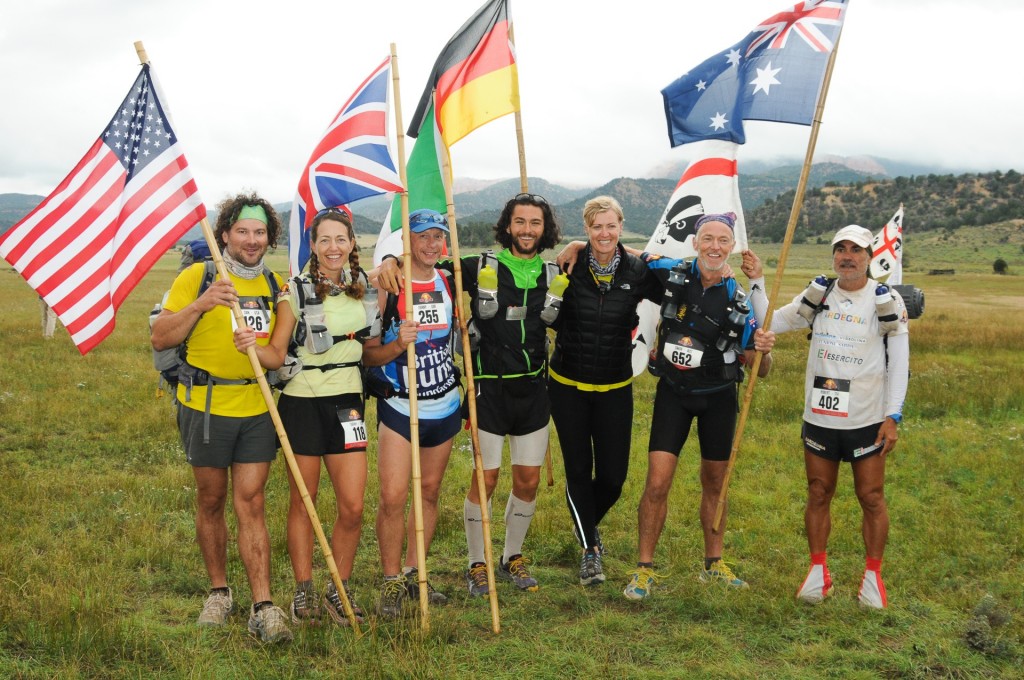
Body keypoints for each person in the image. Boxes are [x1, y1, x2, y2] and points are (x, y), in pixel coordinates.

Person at [375, 194, 563, 597]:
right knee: (486, 478)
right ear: (507, 226)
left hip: (533, 390)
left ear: (544, 228)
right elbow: (423, 265)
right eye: (520, 222)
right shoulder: (478, 266)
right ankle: (477, 563)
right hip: (488, 390)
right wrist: (390, 260)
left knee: (527, 480)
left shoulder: (555, 270)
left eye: (535, 223)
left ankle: (512, 555)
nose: (527, 229)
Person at [150, 193, 292, 643]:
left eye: (260, 232)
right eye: (243, 231)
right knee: (211, 501)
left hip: (256, 409)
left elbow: (277, 354)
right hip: (205, 410)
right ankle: (218, 592)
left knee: (251, 503)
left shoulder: (274, 285)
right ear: (225, 234)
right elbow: (159, 338)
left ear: (270, 237)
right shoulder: (199, 275)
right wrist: (202, 303)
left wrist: (259, 349)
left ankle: (263, 605)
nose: (252, 240)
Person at [622, 213, 774, 600]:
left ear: (732, 246)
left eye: (723, 240)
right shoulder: (672, 271)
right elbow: (632, 254)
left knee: (715, 484)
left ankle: (714, 563)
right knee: (657, 482)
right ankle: (644, 570)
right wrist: (577, 246)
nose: (714, 247)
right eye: (708, 238)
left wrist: (762, 351)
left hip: (719, 397)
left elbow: (762, 368)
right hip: (674, 393)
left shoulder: (741, 298)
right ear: (694, 242)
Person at [233, 206, 370, 626]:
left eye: (340, 239)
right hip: (302, 402)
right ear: (312, 245)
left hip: (348, 402)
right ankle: (304, 591)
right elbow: (275, 354)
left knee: (352, 505)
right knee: (304, 502)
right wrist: (249, 345)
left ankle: (338, 589)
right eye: (324, 240)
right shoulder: (295, 290)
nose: (333, 247)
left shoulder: (363, 287)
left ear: (351, 244)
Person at [763, 224, 909, 609]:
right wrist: (758, 279)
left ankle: (873, 578)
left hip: (866, 420)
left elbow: (900, 363)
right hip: (821, 419)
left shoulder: (886, 300)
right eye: (840, 249)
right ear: (833, 256)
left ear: (870, 256)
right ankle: (817, 572)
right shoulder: (819, 294)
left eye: (856, 250)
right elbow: (770, 321)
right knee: (817, 492)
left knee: (872, 497)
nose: (847, 256)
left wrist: (893, 416)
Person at [549, 196, 665, 586]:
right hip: (567, 384)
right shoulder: (568, 264)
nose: (604, 233)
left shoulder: (637, 270)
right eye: (596, 227)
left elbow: (677, 291)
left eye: (611, 226)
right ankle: (590, 550)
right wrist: (576, 249)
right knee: (579, 470)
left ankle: (585, 527)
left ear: (621, 227)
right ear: (586, 229)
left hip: (615, 385)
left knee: (613, 477)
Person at [363, 208, 461, 619]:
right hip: (401, 405)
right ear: (406, 241)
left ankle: (414, 574)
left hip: (445, 404)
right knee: (392, 497)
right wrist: (396, 346)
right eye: (423, 236)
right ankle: (390, 583)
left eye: (438, 236)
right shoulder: (388, 285)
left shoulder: (449, 281)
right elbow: (367, 355)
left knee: (430, 493)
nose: (432, 244)